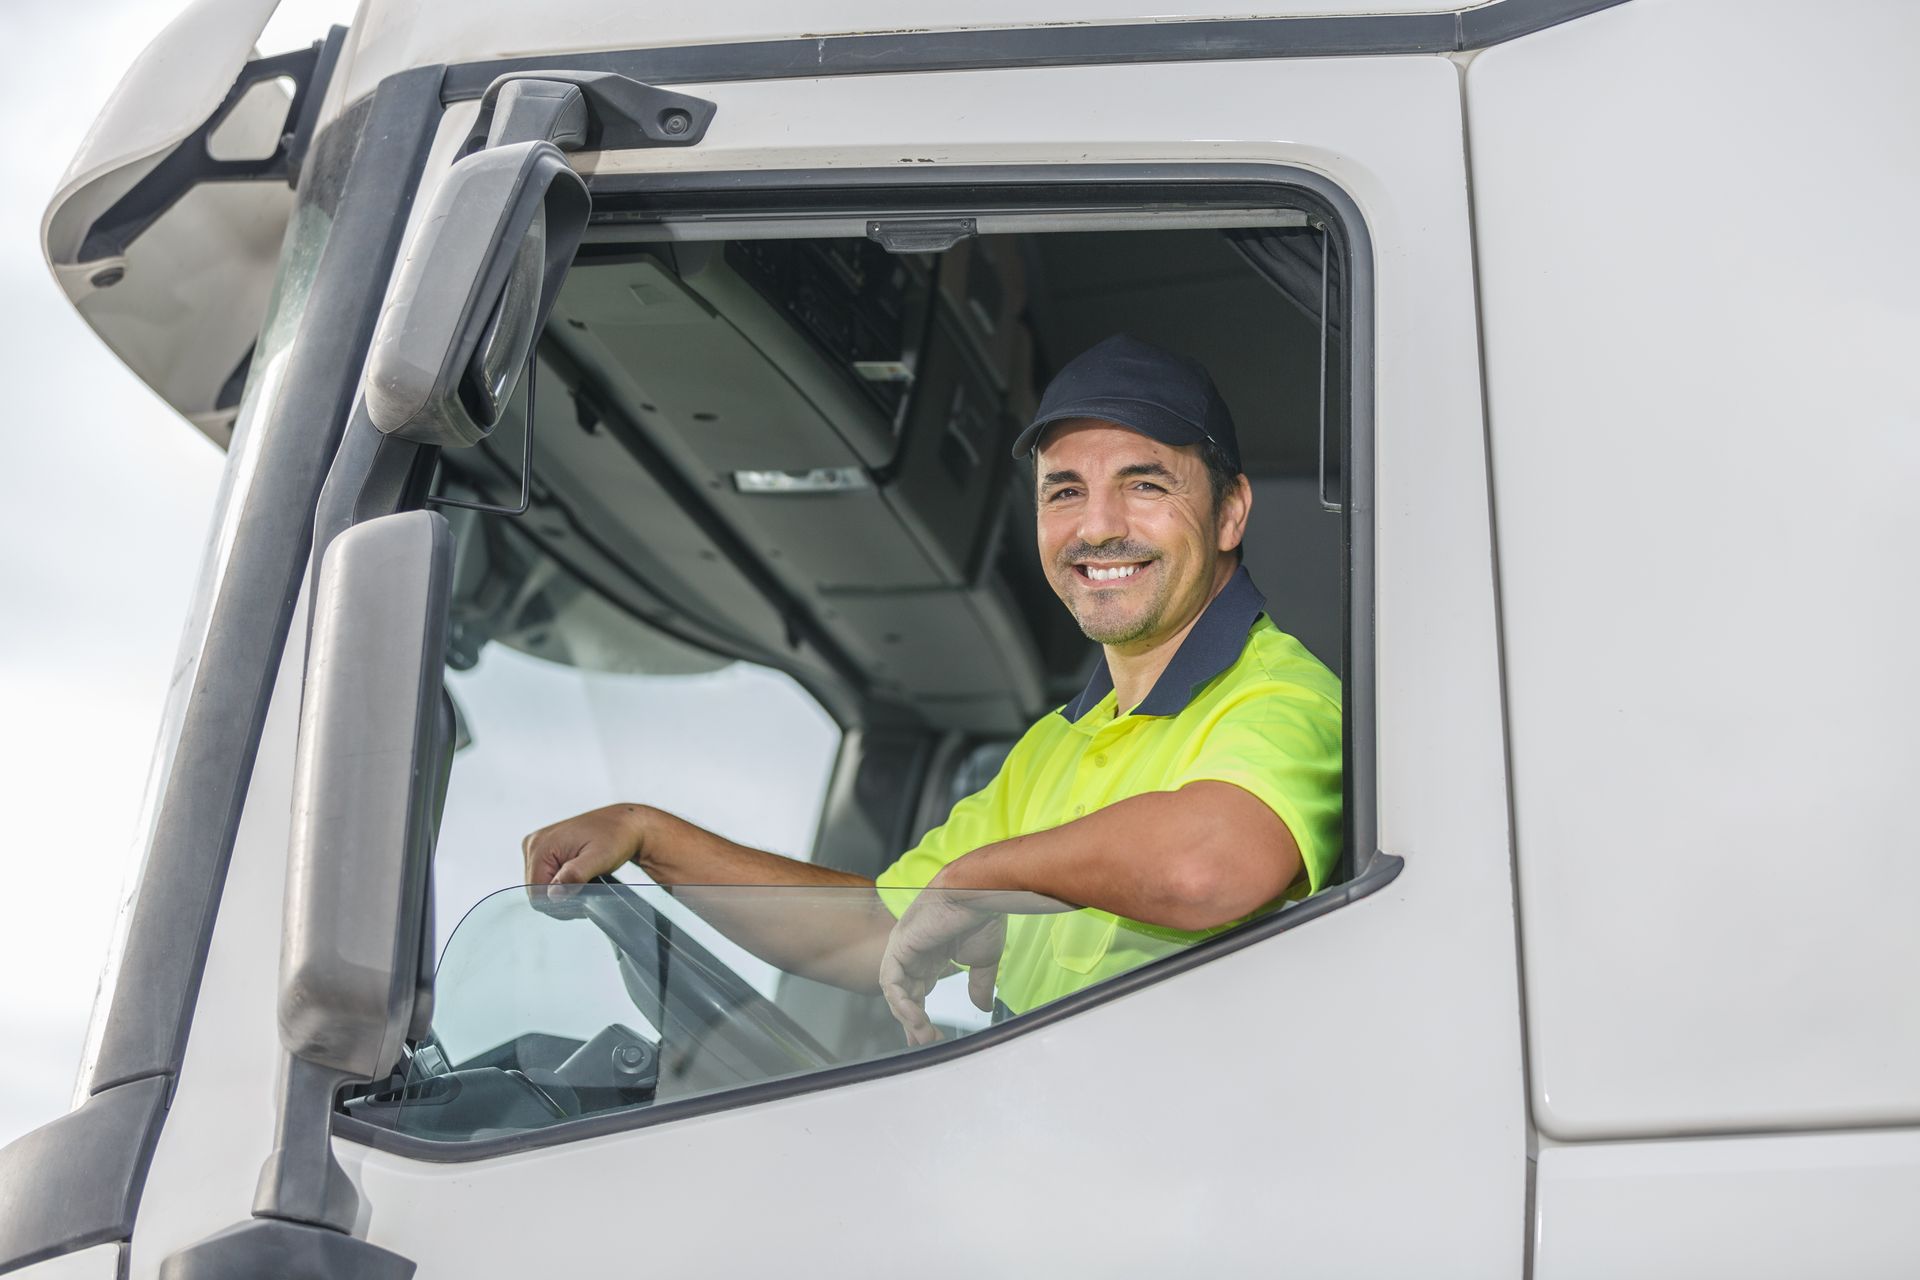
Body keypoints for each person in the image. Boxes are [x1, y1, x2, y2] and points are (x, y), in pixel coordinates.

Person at [522, 334, 1342, 1044]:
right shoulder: (1052, 749)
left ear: (1231, 512)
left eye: (1146, 484)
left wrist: (978, 880)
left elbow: (1211, 862)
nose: (1097, 527)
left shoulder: (1281, 696)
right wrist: (651, 833)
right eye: (1064, 491)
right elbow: (868, 934)